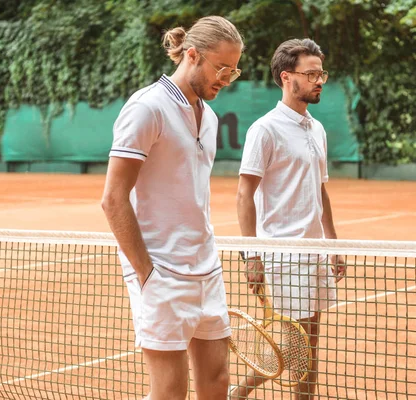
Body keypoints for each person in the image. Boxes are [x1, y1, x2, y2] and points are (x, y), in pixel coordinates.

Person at [101, 16, 244, 400]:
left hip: (206, 268)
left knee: (216, 383)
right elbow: (113, 197)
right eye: (221, 68)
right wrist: (147, 273)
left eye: (233, 70)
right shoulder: (148, 108)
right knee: (170, 392)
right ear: (192, 55)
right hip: (161, 270)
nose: (226, 79)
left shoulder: (210, 117)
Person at [231, 38, 346, 400]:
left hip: (314, 252)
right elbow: (243, 194)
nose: (319, 80)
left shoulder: (317, 129)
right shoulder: (264, 130)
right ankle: (240, 390)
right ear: (286, 77)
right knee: (297, 344)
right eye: (311, 74)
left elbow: (320, 190)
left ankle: (244, 392)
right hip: (283, 254)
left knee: (308, 342)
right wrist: (252, 256)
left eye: (321, 73)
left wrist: (333, 244)